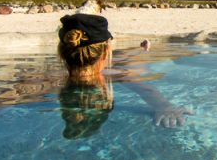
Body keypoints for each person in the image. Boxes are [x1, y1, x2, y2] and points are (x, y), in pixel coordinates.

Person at [57, 13, 192, 130]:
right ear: (106, 52)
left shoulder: (54, 78)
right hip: (119, 62)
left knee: (123, 56)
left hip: (113, 60)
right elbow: (147, 90)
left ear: (62, 52)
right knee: (125, 57)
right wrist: (165, 106)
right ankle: (143, 48)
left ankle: (141, 48)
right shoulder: (117, 75)